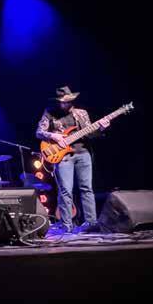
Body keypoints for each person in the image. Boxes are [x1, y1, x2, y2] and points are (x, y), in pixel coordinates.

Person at [36, 86, 110, 234]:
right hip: (62, 156)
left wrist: (101, 129)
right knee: (65, 191)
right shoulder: (50, 113)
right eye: (62, 102)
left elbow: (90, 134)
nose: (65, 104)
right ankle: (67, 225)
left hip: (83, 153)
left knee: (87, 189)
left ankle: (91, 223)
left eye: (68, 101)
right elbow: (39, 132)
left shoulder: (81, 113)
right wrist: (53, 135)